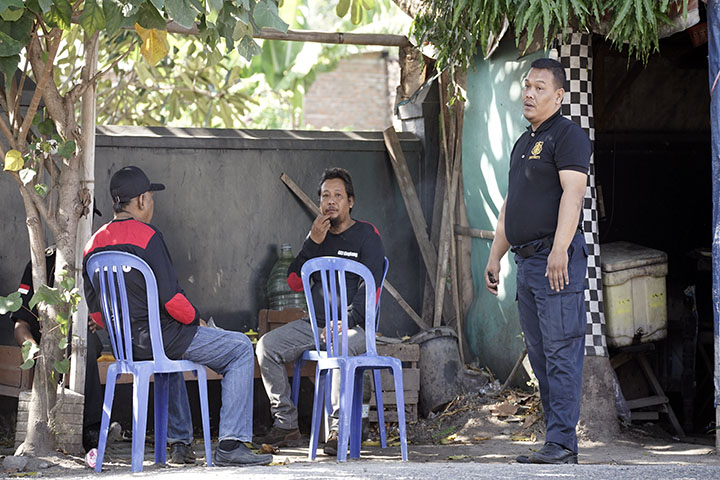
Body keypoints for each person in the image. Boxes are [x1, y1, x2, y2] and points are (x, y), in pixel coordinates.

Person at [82, 165, 272, 467]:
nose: (152, 204)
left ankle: (180, 443)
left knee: (167, 358)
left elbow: (98, 314)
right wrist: (196, 319)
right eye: (151, 198)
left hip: (125, 348)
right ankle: (231, 444)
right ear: (142, 200)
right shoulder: (148, 237)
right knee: (238, 348)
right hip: (165, 338)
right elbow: (173, 301)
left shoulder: (91, 245)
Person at [484, 58, 591, 465]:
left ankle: (563, 443)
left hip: (554, 258)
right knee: (542, 353)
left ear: (559, 95)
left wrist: (561, 248)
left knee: (562, 349)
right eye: (527, 85)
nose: (529, 93)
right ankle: (555, 440)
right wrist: (495, 255)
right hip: (527, 264)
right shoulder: (523, 142)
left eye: (540, 87)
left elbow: (573, 194)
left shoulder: (568, 136)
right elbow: (512, 203)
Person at [255, 167, 385, 456]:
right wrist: (312, 242)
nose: (331, 201)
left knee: (341, 344)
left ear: (350, 201)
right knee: (267, 346)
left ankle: (339, 430)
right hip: (315, 325)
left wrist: (344, 320)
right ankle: (286, 423)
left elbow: (371, 291)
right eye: (326, 195)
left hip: (356, 328)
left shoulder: (367, 234)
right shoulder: (317, 236)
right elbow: (293, 282)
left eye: (338, 195)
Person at [9, 245, 120, 453]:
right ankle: (92, 432)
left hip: (83, 344)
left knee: (81, 340)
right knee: (75, 340)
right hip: (47, 344)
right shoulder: (41, 265)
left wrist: (99, 320)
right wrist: (32, 348)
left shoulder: (96, 264)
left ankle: (91, 430)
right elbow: (20, 325)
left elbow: (111, 312)